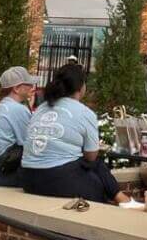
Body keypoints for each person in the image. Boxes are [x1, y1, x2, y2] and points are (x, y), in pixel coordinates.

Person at [21, 61, 128, 202]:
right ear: (81, 87)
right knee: (97, 182)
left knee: (95, 166)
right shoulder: (84, 113)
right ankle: (122, 200)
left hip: (27, 178)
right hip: (57, 180)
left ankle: (121, 198)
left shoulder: (41, 108)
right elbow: (91, 156)